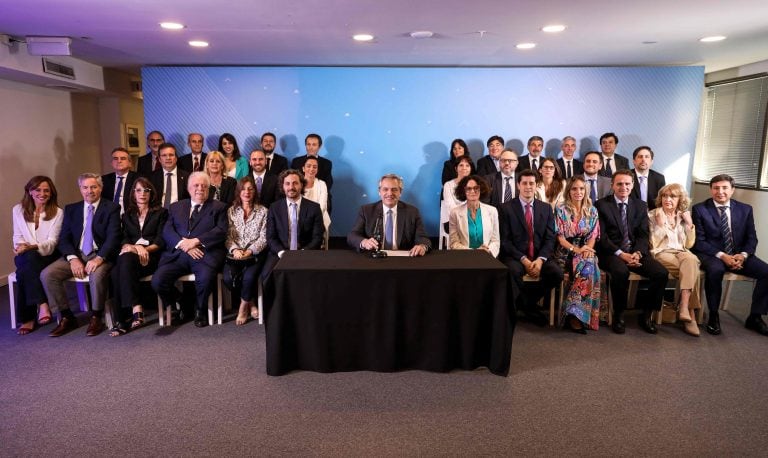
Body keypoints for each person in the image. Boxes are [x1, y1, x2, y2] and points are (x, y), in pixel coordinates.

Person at [41, 173, 122, 337]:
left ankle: (96, 316)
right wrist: (73, 259)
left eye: (93, 187)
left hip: (100, 255)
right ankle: (66, 316)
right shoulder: (72, 209)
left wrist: (99, 258)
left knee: (97, 275)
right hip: (77, 255)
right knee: (47, 274)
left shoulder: (111, 208)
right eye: (85, 187)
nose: (89, 191)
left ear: (100, 188)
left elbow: (114, 238)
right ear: (80, 189)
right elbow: (64, 239)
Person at [692, 174, 768, 336]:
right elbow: (699, 242)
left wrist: (743, 255)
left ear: (732, 190)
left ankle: (755, 316)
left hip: (739, 254)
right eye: (716, 188)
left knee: (766, 272)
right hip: (711, 254)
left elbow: (751, 238)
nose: (720, 191)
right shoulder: (700, 209)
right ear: (711, 190)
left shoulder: (745, 209)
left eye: (725, 188)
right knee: (715, 270)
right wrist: (722, 255)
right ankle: (713, 315)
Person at [152, 172, 229, 327]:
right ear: (188, 188)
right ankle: (179, 301)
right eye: (196, 185)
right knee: (158, 281)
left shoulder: (219, 207)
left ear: (209, 189)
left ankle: (200, 310)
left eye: (204, 186)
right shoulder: (176, 207)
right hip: (178, 254)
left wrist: (195, 241)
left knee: (206, 278)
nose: (200, 189)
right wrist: (184, 245)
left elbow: (221, 230)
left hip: (204, 253)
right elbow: (167, 231)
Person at [596, 170, 668, 334]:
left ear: (632, 185)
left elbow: (643, 234)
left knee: (661, 273)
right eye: (619, 184)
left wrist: (637, 253)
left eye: (627, 184)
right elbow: (602, 237)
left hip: (635, 252)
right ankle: (619, 315)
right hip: (611, 253)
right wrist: (621, 254)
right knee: (621, 272)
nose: (623, 187)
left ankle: (646, 314)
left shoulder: (640, 205)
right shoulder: (601, 205)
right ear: (612, 185)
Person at [499, 169, 563, 326]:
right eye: (525, 183)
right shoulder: (505, 208)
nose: (528, 187)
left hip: (540, 256)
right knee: (512, 271)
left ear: (536, 185)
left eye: (532, 183)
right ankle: (528, 308)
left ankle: (526, 303)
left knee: (556, 273)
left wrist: (540, 260)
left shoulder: (546, 208)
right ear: (518, 185)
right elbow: (505, 241)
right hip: (516, 256)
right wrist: (525, 260)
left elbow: (550, 238)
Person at [109, 178, 168, 336]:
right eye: (139, 190)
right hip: (132, 259)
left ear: (151, 193)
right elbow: (125, 239)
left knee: (119, 268)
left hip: (152, 257)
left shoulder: (161, 212)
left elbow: (161, 240)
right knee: (118, 269)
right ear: (133, 194)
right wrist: (136, 248)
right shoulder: (127, 215)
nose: (143, 194)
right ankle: (133, 309)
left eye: (146, 190)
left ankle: (122, 319)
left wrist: (144, 249)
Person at [12, 176, 64, 335]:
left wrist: (32, 246)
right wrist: (20, 246)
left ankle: (28, 318)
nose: (42, 193)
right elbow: (17, 235)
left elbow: (52, 242)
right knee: (28, 261)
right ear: (30, 191)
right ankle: (43, 304)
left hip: (48, 255)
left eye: (46, 190)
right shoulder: (18, 210)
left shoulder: (57, 212)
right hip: (26, 255)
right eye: (38, 190)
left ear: (51, 193)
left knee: (24, 270)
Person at [648, 183, 701, 337]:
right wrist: (659, 225)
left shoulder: (683, 216)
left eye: (673, 196)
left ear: (680, 199)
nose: (668, 199)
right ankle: (688, 313)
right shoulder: (653, 215)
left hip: (681, 253)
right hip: (661, 252)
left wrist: (690, 224)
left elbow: (689, 244)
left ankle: (684, 306)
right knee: (692, 268)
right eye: (665, 196)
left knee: (690, 259)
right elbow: (653, 243)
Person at [554, 176, 601, 333]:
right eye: (574, 188)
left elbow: (593, 235)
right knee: (589, 265)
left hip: (585, 249)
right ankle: (575, 314)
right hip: (566, 252)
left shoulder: (592, 210)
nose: (578, 191)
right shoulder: (561, 209)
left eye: (581, 188)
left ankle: (574, 313)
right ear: (569, 191)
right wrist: (576, 250)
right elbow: (560, 237)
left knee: (590, 261)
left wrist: (586, 250)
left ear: (586, 190)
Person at [347, 174, 431, 256]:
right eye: (385, 189)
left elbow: (423, 238)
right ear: (379, 191)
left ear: (400, 192)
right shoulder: (366, 211)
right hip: (374, 258)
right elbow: (352, 236)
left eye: (394, 189)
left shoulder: (412, 212)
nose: (390, 193)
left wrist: (422, 246)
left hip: (403, 259)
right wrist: (364, 242)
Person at [264, 169, 325, 277]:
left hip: (306, 252)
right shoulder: (274, 208)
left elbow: (317, 238)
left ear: (302, 185)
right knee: (267, 276)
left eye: (295, 183)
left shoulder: (314, 208)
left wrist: (302, 253)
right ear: (282, 186)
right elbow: (270, 237)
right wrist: (281, 252)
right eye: (287, 184)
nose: (291, 187)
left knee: (312, 277)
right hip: (280, 252)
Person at [225, 176, 268, 325]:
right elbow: (228, 236)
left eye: (250, 189)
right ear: (238, 192)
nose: (247, 192)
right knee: (228, 279)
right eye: (243, 189)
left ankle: (243, 308)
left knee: (249, 278)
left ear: (255, 191)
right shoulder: (231, 211)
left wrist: (250, 251)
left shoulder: (263, 211)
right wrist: (235, 249)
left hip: (255, 255)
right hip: (234, 255)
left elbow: (264, 237)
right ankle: (251, 302)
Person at [448, 175, 499, 257]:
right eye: (468, 189)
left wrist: (487, 251)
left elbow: (496, 241)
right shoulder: (455, 213)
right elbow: (454, 243)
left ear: (481, 189)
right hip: (465, 257)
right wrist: (475, 252)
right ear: (463, 191)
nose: (472, 191)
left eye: (476, 188)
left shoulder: (492, 211)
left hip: (487, 256)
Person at [302, 156, 331, 247]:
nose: (311, 169)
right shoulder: (297, 183)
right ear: (303, 168)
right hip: (300, 219)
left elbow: (322, 206)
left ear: (317, 169)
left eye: (315, 167)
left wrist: (311, 219)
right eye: (309, 166)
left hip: (319, 219)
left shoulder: (322, 184)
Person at [150, 142, 190, 209]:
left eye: (171, 155)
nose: (168, 158)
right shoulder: (152, 177)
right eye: (164, 155)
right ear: (159, 159)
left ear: (176, 158)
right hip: (158, 214)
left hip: (180, 213)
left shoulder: (187, 176)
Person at [441, 155, 473, 233]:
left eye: (467, 165)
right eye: (461, 165)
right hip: (452, 220)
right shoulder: (448, 185)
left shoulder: (474, 184)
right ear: (456, 168)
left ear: (470, 168)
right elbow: (450, 207)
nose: (464, 168)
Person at [101, 147, 138, 213]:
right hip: (110, 216)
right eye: (115, 159)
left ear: (130, 163)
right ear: (111, 163)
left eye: (123, 158)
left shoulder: (138, 179)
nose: (119, 161)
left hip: (131, 215)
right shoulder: (104, 180)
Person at [630, 146, 666, 210]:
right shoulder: (625, 176)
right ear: (634, 161)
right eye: (640, 156)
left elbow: (662, 201)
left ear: (651, 161)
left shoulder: (659, 178)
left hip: (653, 214)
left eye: (647, 157)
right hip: (630, 214)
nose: (643, 159)